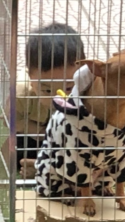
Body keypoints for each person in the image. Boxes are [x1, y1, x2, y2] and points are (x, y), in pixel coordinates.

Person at [13, 23, 85, 178]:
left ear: (83, 72)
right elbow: (11, 120)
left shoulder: (89, 88)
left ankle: (45, 167)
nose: (57, 97)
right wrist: (43, 133)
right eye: (47, 90)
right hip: (40, 137)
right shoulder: (21, 93)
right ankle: (47, 165)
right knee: (15, 149)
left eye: (68, 88)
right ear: (31, 78)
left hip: (77, 139)